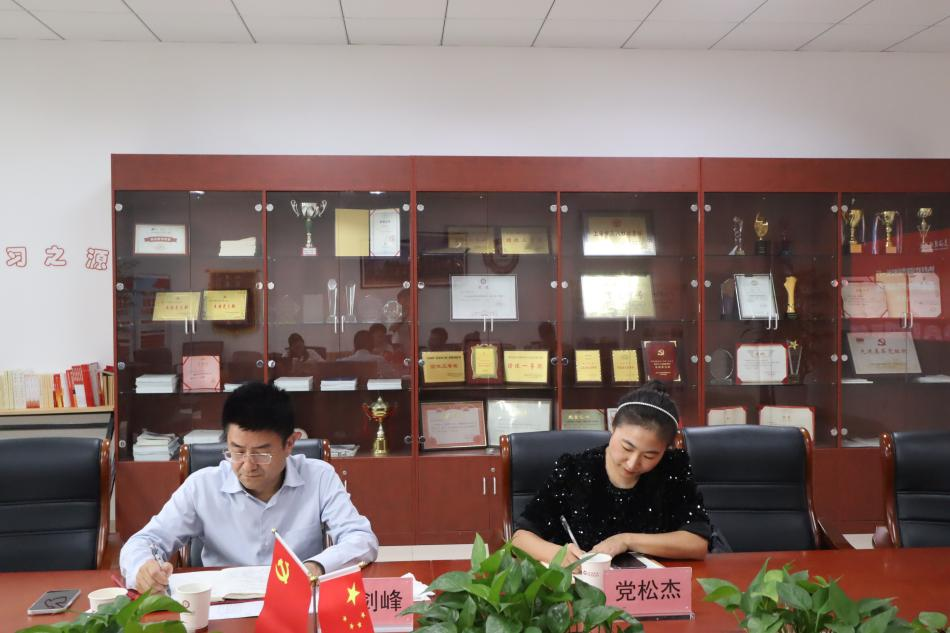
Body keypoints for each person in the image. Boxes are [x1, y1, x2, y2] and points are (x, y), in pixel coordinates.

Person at [119, 381, 378, 592]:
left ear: (290, 444)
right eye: (237, 451)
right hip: (222, 610)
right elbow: (144, 541)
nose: (248, 465)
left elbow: (361, 539)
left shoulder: (319, 477)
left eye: (261, 453)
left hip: (295, 601)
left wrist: (316, 566)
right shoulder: (202, 486)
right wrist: (143, 567)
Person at [511, 381, 712, 565]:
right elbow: (520, 539)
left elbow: (697, 543)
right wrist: (556, 554)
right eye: (627, 447)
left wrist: (626, 540)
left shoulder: (672, 469)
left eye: (649, 456)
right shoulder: (574, 469)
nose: (632, 463)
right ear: (613, 425)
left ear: (665, 450)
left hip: (649, 587)